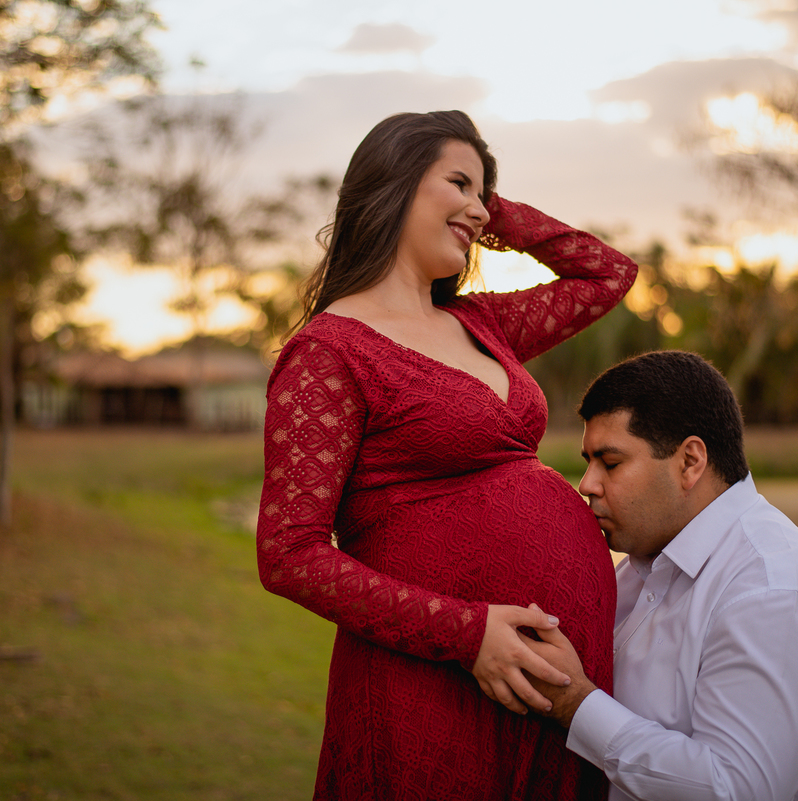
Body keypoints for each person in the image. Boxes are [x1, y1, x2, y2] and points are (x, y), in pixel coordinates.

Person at [256, 110, 637, 799]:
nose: (478, 207)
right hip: (432, 682)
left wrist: (490, 211)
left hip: (554, 689)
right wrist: (467, 633)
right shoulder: (328, 351)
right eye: (458, 182)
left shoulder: (480, 323)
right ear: (394, 183)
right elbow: (289, 554)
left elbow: (607, 274)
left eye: (484, 193)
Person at [522, 350, 798, 801]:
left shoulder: (779, 590)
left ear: (690, 462)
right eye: (588, 462)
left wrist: (575, 704)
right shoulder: (638, 571)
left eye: (610, 463)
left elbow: (732, 789)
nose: (587, 484)